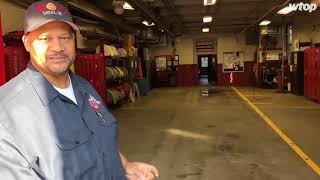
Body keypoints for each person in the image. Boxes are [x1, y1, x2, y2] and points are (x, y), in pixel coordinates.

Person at [0, 0, 159, 179]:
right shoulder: (7, 111)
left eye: (64, 37)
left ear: (73, 40)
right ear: (27, 43)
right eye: (45, 38)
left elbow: (99, 140)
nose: (58, 47)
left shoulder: (84, 87)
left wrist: (124, 165)